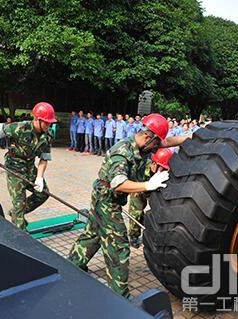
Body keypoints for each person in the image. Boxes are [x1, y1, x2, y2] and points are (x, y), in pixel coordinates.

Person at [68, 113, 170, 298]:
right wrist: (149, 185)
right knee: (118, 245)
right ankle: (120, 295)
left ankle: (73, 264)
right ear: (148, 137)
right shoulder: (122, 152)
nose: (157, 147)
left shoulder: (143, 144)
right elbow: (118, 183)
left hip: (108, 198)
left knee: (94, 234)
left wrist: (190, 138)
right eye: (156, 143)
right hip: (107, 200)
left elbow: (166, 142)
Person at [0, 102, 56, 231]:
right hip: (14, 167)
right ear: (37, 119)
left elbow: (44, 158)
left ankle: (15, 212)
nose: (49, 125)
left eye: (50, 123)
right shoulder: (20, 127)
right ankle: (21, 233)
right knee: (19, 203)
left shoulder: (47, 136)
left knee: (43, 194)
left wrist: (39, 178)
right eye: (46, 122)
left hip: (29, 167)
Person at [128, 148, 173, 248]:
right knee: (136, 212)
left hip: (155, 191)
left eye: (165, 169)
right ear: (154, 164)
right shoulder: (142, 168)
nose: (162, 171)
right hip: (140, 189)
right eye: (160, 167)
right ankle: (133, 236)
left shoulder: (167, 173)